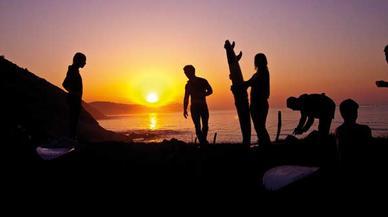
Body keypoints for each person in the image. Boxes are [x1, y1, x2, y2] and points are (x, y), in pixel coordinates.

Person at [240, 53, 271, 147]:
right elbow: (247, 84)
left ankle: (266, 145)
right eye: (257, 60)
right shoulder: (256, 74)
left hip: (260, 104)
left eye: (260, 60)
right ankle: (263, 144)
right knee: (259, 127)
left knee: (260, 127)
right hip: (254, 104)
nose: (258, 62)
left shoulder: (264, 73)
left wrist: (244, 84)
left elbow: (250, 83)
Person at [335, 99, 371, 168]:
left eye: (355, 111)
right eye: (353, 111)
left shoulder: (339, 130)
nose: (355, 113)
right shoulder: (364, 129)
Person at [183, 65, 213, 145]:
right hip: (194, 107)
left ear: (192, 71)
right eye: (185, 72)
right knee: (197, 126)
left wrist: (203, 94)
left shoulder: (202, 81)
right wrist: (184, 109)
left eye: (187, 72)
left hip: (203, 106)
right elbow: (186, 98)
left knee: (205, 125)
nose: (186, 74)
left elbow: (210, 90)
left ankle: (203, 142)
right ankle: (203, 143)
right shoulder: (188, 85)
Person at [62, 52, 86, 141]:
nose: (85, 63)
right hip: (73, 100)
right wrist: (73, 93)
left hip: (74, 100)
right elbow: (64, 84)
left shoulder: (74, 70)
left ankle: (71, 139)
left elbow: (65, 84)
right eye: (84, 61)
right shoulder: (72, 71)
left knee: (73, 121)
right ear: (78, 61)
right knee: (72, 121)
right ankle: (70, 140)